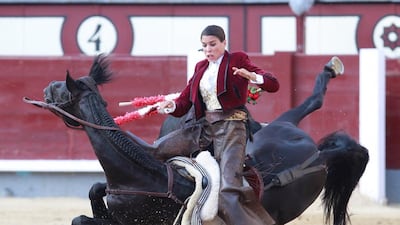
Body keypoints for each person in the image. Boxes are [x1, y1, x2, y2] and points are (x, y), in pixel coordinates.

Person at [158, 25, 279, 225]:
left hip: (231, 129)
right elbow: (184, 102)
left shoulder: (237, 59)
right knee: (159, 150)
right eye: (204, 46)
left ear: (224, 43)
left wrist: (253, 77)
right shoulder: (200, 68)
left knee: (228, 188)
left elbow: (273, 84)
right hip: (204, 130)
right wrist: (171, 106)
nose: (208, 50)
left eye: (213, 44)